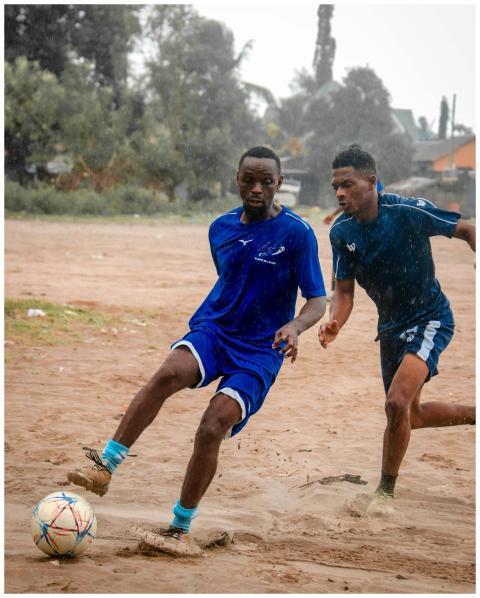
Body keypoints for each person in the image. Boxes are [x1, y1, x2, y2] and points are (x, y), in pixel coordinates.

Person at [68, 146, 327, 553]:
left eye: (266, 181)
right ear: (237, 179)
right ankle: (106, 465)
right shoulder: (220, 228)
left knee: (212, 426)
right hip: (216, 330)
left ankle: (178, 527)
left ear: (279, 184)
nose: (257, 188)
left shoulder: (298, 233)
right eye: (249, 180)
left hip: (262, 348)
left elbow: (317, 300)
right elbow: (229, 279)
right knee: (169, 372)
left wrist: (295, 326)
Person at [318, 144, 475, 514]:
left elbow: (467, 227)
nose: (340, 193)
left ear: (371, 182)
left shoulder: (405, 211)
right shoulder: (341, 233)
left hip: (430, 318)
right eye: (335, 187)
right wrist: (335, 321)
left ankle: (384, 495)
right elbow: (343, 292)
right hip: (389, 328)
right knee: (410, 416)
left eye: (348, 184)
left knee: (395, 402)